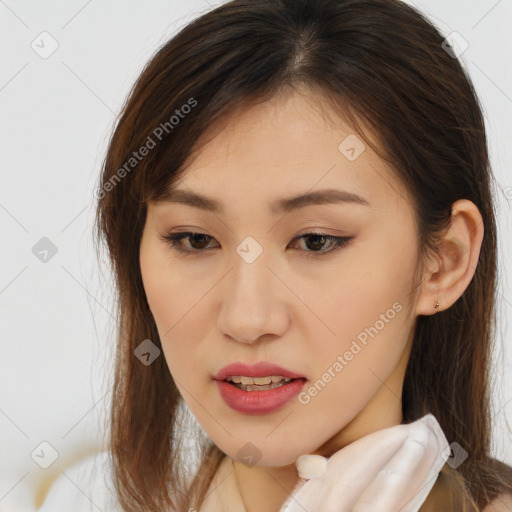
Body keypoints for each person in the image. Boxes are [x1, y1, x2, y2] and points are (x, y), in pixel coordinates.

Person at [42, 0, 512, 510]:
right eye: (195, 240)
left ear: (443, 262)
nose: (246, 319)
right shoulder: (88, 498)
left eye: (315, 241)